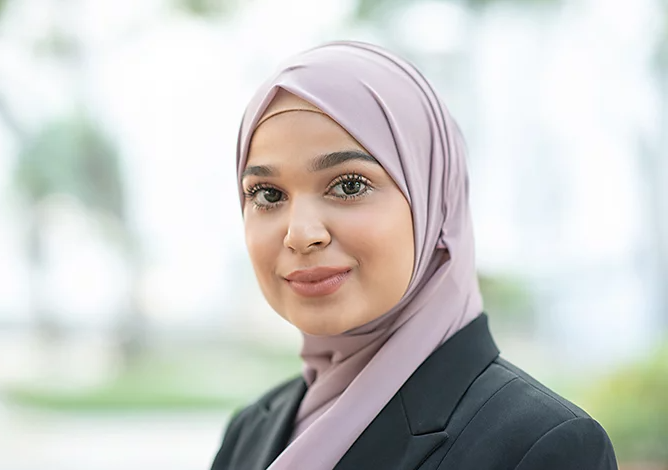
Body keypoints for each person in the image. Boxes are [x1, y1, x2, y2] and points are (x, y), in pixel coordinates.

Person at [211, 41, 617, 470]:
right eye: (268, 194)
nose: (300, 234)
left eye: (349, 185)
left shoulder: (541, 445)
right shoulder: (251, 431)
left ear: (435, 203)